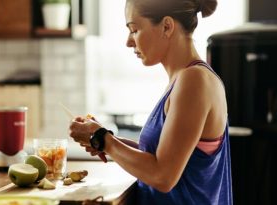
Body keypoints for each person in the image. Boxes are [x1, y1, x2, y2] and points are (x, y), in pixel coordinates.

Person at [69, 0, 232, 204]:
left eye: (134, 30)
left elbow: (163, 176)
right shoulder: (183, 80)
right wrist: (106, 140)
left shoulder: (194, 81)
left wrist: (102, 139)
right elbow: (163, 156)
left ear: (166, 26)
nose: (129, 41)